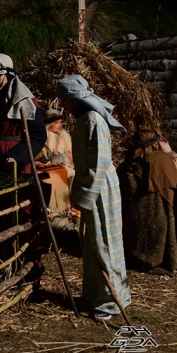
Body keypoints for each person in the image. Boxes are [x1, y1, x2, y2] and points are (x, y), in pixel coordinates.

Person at [56, 74, 131, 321]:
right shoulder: (85, 119)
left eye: (64, 100)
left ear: (74, 98)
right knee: (91, 243)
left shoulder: (93, 121)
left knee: (103, 243)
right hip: (93, 184)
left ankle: (110, 302)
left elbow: (99, 162)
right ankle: (94, 294)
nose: (63, 105)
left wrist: (84, 195)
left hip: (100, 187)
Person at [117, 128, 177, 273]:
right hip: (161, 217)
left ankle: (139, 258)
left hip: (135, 228)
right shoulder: (164, 160)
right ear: (155, 144)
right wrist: (170, 152)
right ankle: (165, 259)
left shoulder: (125, 165)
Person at [36, 109, 75, 213]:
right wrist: (60, 158)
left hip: (61, 166)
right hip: (45, 167)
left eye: (60, 123)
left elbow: (70, 154)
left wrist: (64, 158)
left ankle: (66, 206)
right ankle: (51, 209)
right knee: (52, 177)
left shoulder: (64, 135)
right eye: (56, 123)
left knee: (69, 173)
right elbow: (42, 157)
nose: (59, 125)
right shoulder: (42, 135)